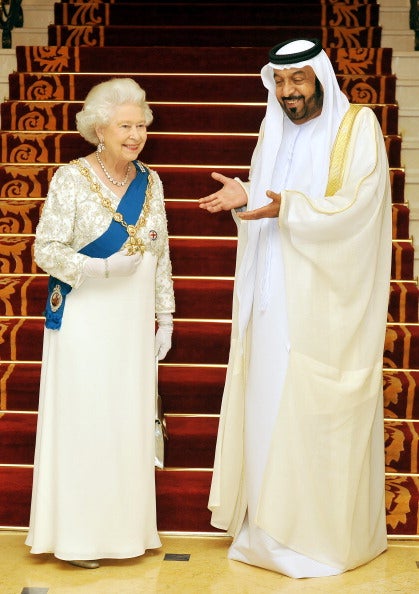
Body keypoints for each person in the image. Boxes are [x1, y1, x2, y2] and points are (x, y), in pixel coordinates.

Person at [199, 39, 392, 578]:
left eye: (298, 81)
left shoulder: (357, 127)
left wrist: (292, 207)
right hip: (267, 299)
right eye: (280, 83)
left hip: (320, 305)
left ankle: (315, 539)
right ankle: (265, 532)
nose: (288, 93)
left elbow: (361, 204)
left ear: (321, 80)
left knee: (311, 413)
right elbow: (263, 203)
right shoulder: (272, 130)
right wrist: (248, 198)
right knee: (265, 409)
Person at [25, 77, 175, 569]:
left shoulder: (151, 182)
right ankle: (80, 537)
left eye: (140, 125)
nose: (135, 135)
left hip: (130, 324)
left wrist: (165, 316)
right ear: (99, 129)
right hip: (85, 319)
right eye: (124, 126)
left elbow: (162, 255)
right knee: (87, 420)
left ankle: (125, 532)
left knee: (124, 420)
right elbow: (44, 248)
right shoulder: (71, 178)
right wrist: (95, 268)